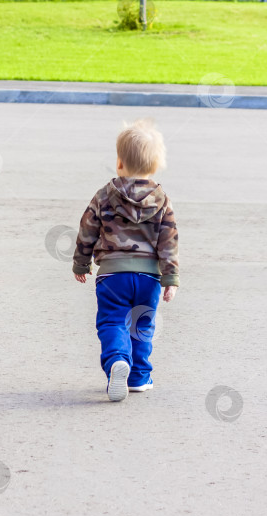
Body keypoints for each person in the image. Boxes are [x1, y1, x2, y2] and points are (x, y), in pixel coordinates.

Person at [72, 119, 179, 402]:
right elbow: (168, 241)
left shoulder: (104, 195)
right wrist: (170, 278)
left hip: (113, 276)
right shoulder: (162, 200)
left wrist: (82, 263)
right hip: (148, 278)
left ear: (119, 163)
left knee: (112, 322)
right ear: (155, 165)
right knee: (141, 325)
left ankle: (117, 361)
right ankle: (139, 377)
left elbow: (87, 229)